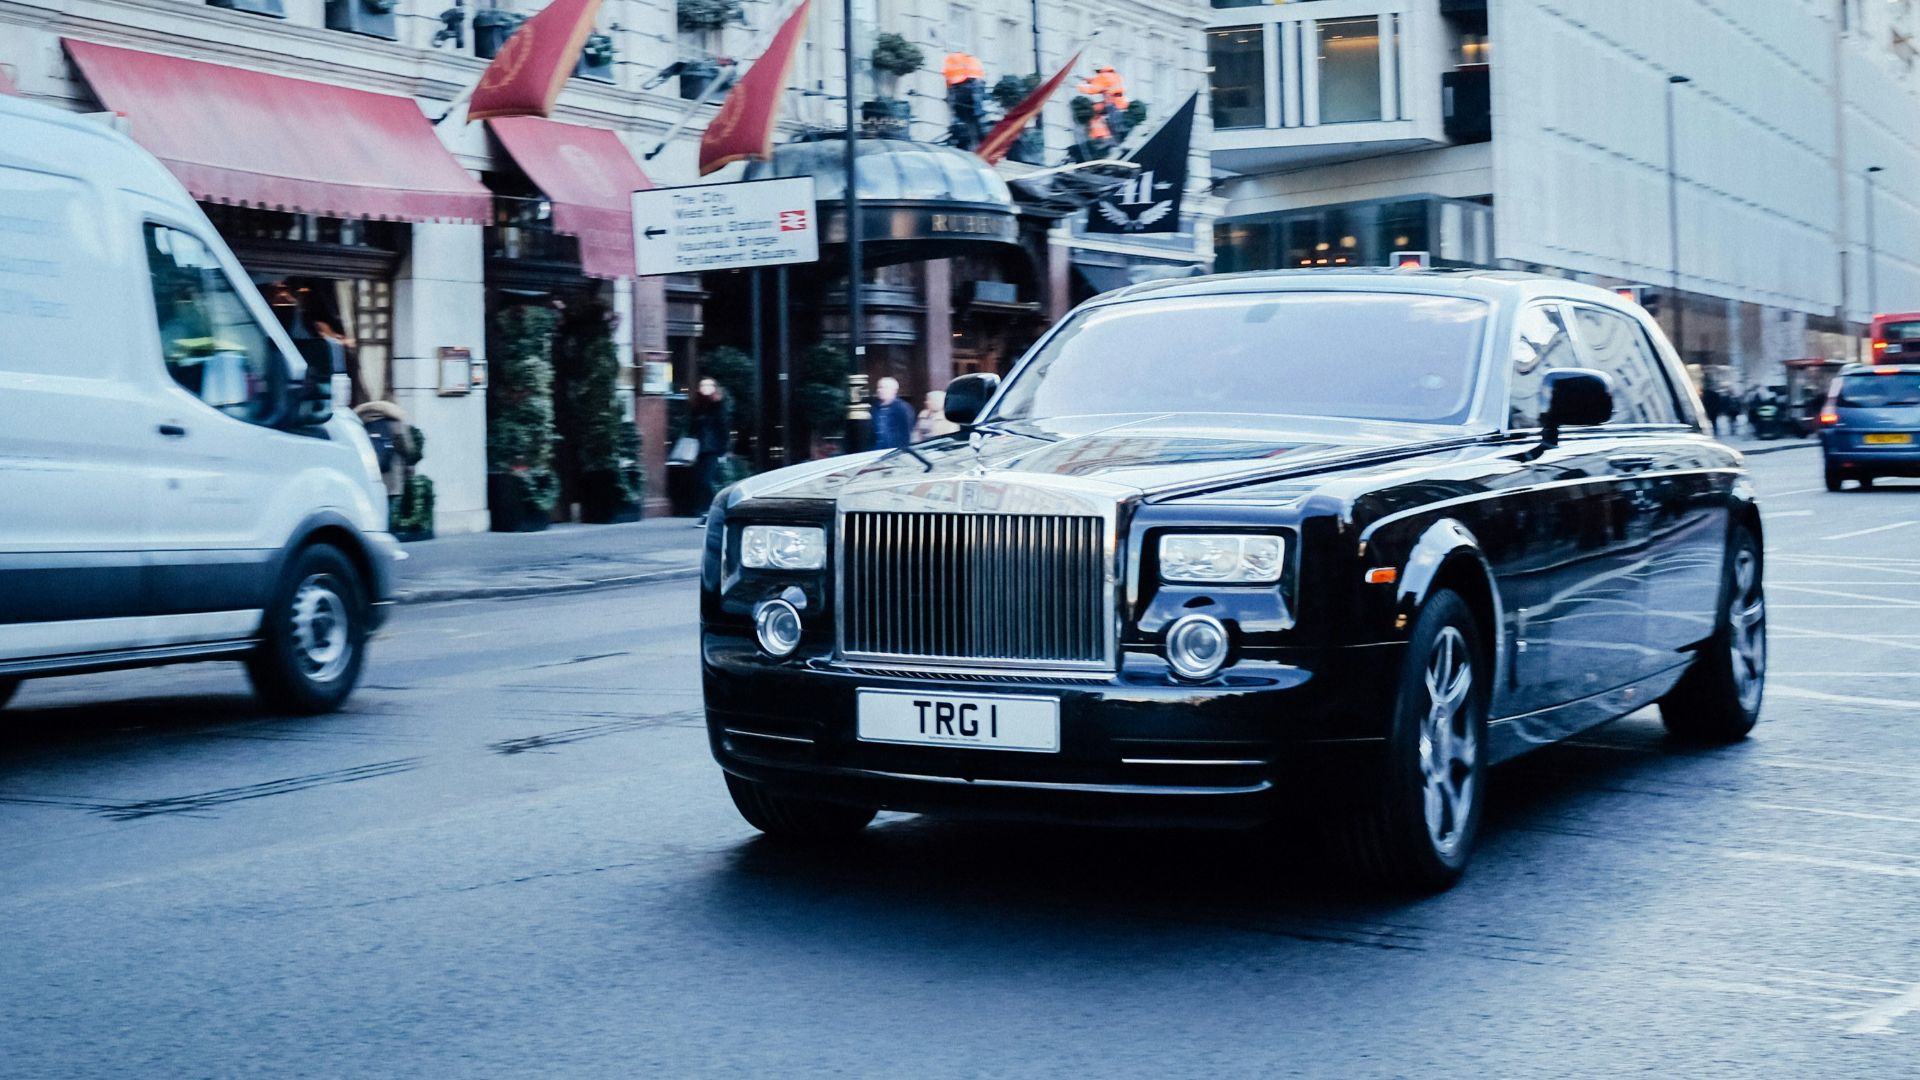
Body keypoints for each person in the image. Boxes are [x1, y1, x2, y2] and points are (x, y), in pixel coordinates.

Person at [690, 377, 731, 524]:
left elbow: (723, 428)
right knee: (701, 481)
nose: (705, 388)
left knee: (706, 481)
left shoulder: (718, 405)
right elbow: (692, 428)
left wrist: (723, 450)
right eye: (703, 385)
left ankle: (714, 512)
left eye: (709, 385)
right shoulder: (698, 406)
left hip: (712, 449)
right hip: (700, 449)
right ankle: (707, 512)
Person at [944, 49, 987, 149]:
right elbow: (980, 82)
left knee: (968, 123)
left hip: (963, 98)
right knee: (974, 123)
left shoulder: (952, 61)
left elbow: (950, 86)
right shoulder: (973, 61)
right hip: (971, 97)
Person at [1078, 63, 1130, 144]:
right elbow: (1103, 83)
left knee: (1114, 123)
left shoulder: (1102, 77)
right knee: (1117, 121)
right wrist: (1088, 80)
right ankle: (1116, 136)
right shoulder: (1114, 75)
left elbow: (1093, 90)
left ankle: (1105, 137)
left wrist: (1079, 87)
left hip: (1112, 103)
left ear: (1097, 70)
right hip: (1121, 101)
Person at [870, 376, 917, 451]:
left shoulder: (903, 408)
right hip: (876, 450)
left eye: (883, 388)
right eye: (878, 387)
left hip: (895, 451)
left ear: (894, 390)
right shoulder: (874, 408)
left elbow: (907, 431)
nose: (879, 390)